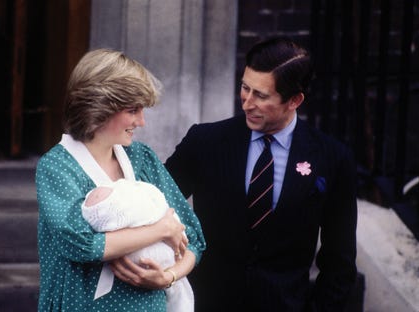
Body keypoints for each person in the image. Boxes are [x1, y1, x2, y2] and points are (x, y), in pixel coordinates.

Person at [164, 37, 358, 311]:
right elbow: (152, 205)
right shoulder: (204, 141)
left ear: (295, 100)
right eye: (245, 88)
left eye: (262, 96)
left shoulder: (332, 158)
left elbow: (340, 260)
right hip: (206, 302)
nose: (247, 103)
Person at [35, 48, 206, 312]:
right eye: (132, 110)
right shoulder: (57, 167)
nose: (141, 121)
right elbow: (81, 244)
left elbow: (193, 239)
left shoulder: (142, 158)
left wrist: (168, 277)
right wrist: (161, 229)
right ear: (99, 107)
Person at [81, 178, 194, 312]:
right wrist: (163, 229)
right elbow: (84, 246)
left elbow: (193, 243)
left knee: (180, 297)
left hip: (158, 294)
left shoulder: (144, 162)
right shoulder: (60, 168)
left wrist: (169, 276)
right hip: (102, 302)